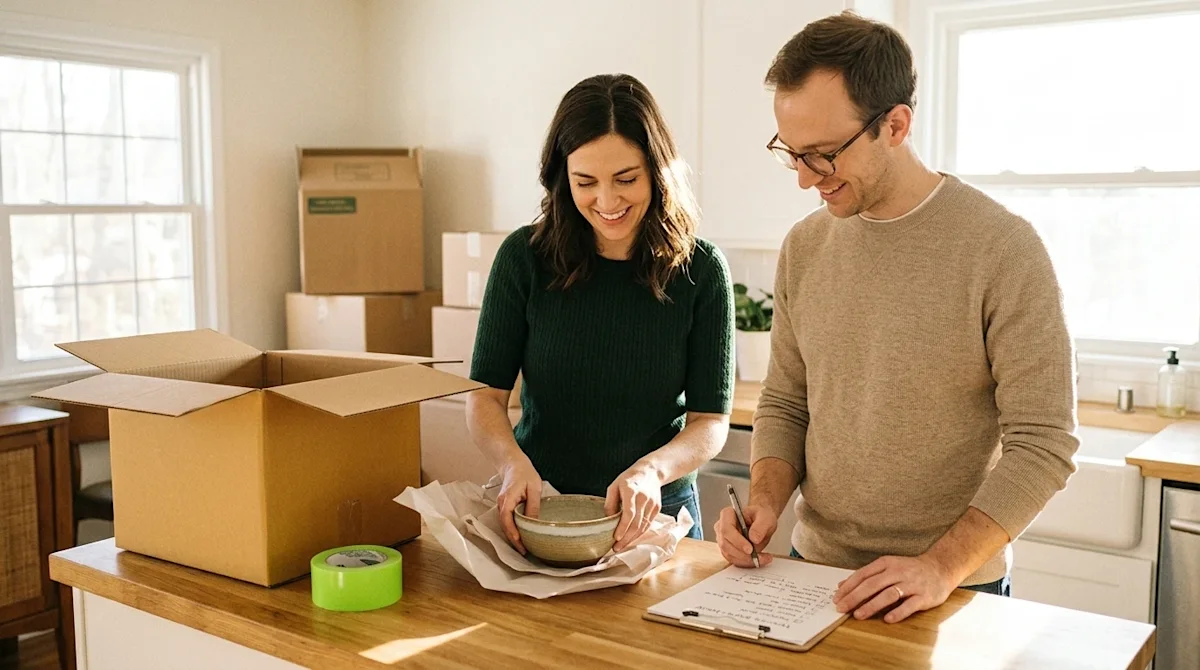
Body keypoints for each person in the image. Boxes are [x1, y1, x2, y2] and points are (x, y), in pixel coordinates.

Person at [714, 11, 1079, 624]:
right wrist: (768, 501)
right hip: (814, 571)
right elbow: (786, 401)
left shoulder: (1002, 248)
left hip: (951, 594)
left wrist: (940, 566)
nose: (804, 179)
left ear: (896, 125)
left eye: (823, 156)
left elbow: (1044, 443)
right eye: (791, 154)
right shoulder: (805, 246)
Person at [466, 73, 735, 554]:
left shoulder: (701, 271)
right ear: (560, 177)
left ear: (658, 170)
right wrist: (511, 463)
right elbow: (485, 399)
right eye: (585, 182)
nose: (607, 202)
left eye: (626, 179)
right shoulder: (523, 260)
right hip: (544, 511)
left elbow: (709, 421)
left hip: (657, 517)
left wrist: (651, 470)